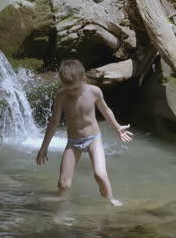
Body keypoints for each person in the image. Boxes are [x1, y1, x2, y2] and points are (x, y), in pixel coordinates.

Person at [36, 59, 133, 206]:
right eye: (68, 89)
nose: (72, 92)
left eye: (75, 89)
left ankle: (110, 199)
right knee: (63, 182)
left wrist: (117, 128)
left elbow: (106, 111)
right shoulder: (61, 96)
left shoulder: (94, 92)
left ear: (84, 79)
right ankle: (63, 199)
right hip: (74, 142)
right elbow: (54, 122)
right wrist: (44, 147)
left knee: (100, 175)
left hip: (93, 139)